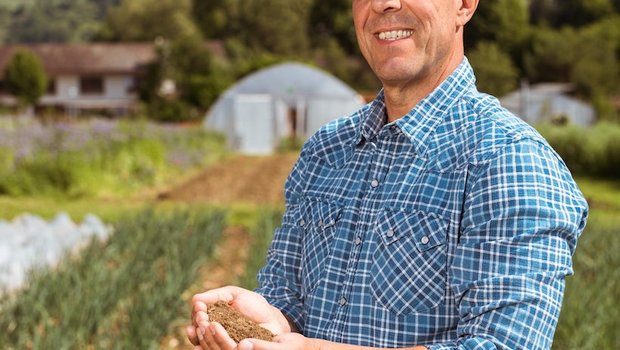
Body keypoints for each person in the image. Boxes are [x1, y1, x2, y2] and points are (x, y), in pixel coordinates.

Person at [187, 0, 588, 349]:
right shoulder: (326, 150)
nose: (383, 4)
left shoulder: (510, 161)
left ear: (464, 5)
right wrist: (269, 323)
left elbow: (499, 345)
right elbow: (287, 299)